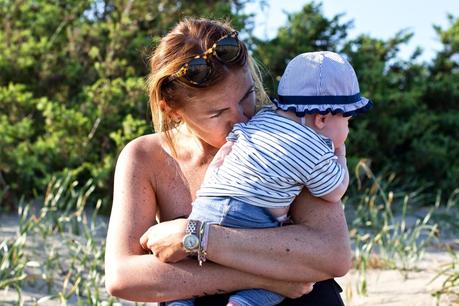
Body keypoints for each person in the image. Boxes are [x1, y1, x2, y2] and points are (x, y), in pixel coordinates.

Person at [105, 17, 353, 306]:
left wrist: (195, 237)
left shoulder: (286, 137)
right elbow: (122, 276)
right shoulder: (145, 157)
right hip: (281, 286)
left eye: (247, 95)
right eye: (217, 112)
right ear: (171, 109)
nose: (241, 117)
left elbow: (334, 254)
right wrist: (265, 278)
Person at [159, 51, 372, 306]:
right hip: (252, 219)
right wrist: (340, 154)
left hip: (207, 206)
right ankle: (244, 303)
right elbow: (334, 190)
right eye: (347, 120)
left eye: (246, 97)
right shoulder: (314, 150)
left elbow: (229, 146)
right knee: (281, 286)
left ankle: (179, 303)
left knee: (186, 266)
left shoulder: (262, 119)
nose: (239, 117)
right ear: (322, 118)